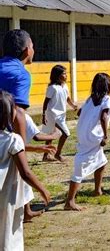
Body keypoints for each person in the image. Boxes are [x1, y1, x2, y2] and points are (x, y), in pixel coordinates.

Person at [0, 29, 51, 221]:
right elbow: (18, 112)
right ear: (26, 51)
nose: (34, 50)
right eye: (32, 46)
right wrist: (21, 144)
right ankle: (24, 211)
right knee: (19, 170)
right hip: (6, 133)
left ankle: (27, 210)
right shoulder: (21, 74)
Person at [0, 90, 50, 250]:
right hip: (6, 195)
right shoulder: (13, 140)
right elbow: (25, 173)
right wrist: (42, 190)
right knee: (9, 232)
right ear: (9, 114)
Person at [64, 73, 110, 211]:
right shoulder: (107, 99)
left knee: (102, 162)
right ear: (108, 86)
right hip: (94, 137)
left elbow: (81, 113)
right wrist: (105, 136)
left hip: (83, 134)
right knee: (80, 165)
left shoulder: (89, 99)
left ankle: (97, 190)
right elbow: (104, 117)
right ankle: (70, 201)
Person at [23, 114, 59, 222]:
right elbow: (36, 136)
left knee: (22, 183)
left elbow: (17, 145)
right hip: (12, 158)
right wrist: (54, 136)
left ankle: (26, 212)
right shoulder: (22, 115)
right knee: (22, 179)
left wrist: (38, 148)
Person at [41, 64, 78, 162]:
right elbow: (46, 102)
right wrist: (44, 115)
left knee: (50, 135)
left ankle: (46, 156)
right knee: (65, 133)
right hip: (52, 115)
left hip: (61, 115)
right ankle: (58, 154)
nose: (66, 76)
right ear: (57, 75)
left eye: (66, 73)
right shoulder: (52, 88)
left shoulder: (64, 86)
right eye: (64, 74)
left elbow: (67, 98)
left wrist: (73, 105)